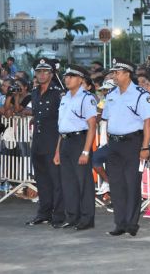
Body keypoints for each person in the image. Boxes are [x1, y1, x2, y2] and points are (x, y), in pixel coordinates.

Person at [102, 58, 150, 236]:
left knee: (132, 183)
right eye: (113, 73)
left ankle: (132, 223)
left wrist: (145, 147)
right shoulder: (111, 94)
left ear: (127, 74)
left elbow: (148, 121)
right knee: (116, 185)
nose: (114, 76)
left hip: (133, 143)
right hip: (115, 144)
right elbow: (107, 119)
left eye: (117, 73)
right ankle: (120, 223)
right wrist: (108, 139)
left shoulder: (141, 94)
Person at [53, 65, 97, 230]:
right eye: (66, 76)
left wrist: (86, 151)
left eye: (71, 76)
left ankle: (87, 219)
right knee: (68, 182)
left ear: (80, 79)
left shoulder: (86, 98)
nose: (67, 79)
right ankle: (72, 216)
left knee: (83, 181)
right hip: (65, 141)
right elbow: (62, 126)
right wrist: (58, 150)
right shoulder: (64, 98)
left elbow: (91, 126)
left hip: (80, 141)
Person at [26, 59, 65, 227]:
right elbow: (36, 113)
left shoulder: (58, 93)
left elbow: (62, 121)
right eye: (39, 71)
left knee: (56, 181)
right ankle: (43, 213)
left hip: (53, 142)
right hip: (38, 142)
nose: (41, 74)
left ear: (51, 74)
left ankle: (58, 216)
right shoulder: (34, 92)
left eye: (45, 71)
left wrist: (58, 148)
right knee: (41, 180)